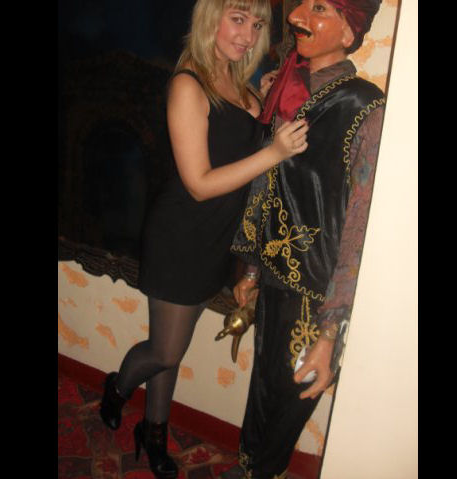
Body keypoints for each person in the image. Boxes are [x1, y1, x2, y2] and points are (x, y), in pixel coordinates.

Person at [98, 1, 309, 478]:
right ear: (211, 17)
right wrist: (274, 152)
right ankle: (117, 387)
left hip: (216, 240)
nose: (248, 35)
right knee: (166, 351)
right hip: (181, 236)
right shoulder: (188, 85)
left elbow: (240, 145)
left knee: (173, 347)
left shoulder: (242, 83)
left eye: (257, 24)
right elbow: (198, 183)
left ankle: (153, 432)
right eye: (238, 19)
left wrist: (265, 103)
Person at [231, 0, 386, 477]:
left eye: (319, 8)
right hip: (274, 272)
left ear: (348, 32)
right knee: (262, 389)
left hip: (317, 291)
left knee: (291, 401)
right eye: (302, 4)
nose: (298, 16)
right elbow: (268, 180)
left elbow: (360, 223)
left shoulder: (364, 106)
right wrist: (252, 269)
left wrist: (330, 329)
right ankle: (248, 469)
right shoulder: (288, 87)